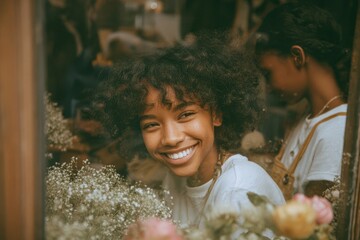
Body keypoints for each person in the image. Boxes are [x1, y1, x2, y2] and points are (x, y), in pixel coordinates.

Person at [98, 41, 285, 237]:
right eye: (151, 125)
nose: (170, 138)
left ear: (216, 115)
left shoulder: (240, 189)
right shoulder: (175, 180)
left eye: (185, 115)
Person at [254, 2, 350, 197]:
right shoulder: (307, 119)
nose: (269, 87)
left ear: (297, 56)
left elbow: (315, 222)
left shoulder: (336, 131)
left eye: (268, 73)